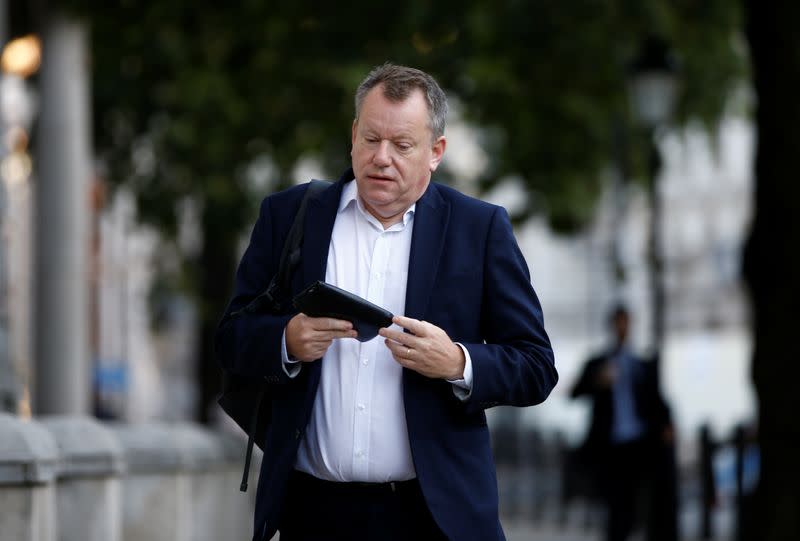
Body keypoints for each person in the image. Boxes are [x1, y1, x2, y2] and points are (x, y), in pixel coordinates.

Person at [215, 63, 558, 541]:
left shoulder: (478, 230)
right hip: (312, 511)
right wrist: (286, 339)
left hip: (433, 517)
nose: (382, 158)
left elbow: (536, 366)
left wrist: (458, 362)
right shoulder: (289, 215)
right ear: (353, 134)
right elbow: (230, 338)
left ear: (435, 151)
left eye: (401, 146)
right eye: (372, 139)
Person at [570, 305, 677, 541]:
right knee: (617, 504)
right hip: (612, 446)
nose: (622, 328)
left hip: (640, 443)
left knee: (641, 501)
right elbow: (575, 392)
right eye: (618, 322)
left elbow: (657, 400)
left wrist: (666, 426)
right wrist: (598, 380)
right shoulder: (599, 362)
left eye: (625, 322)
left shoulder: (641, 364)